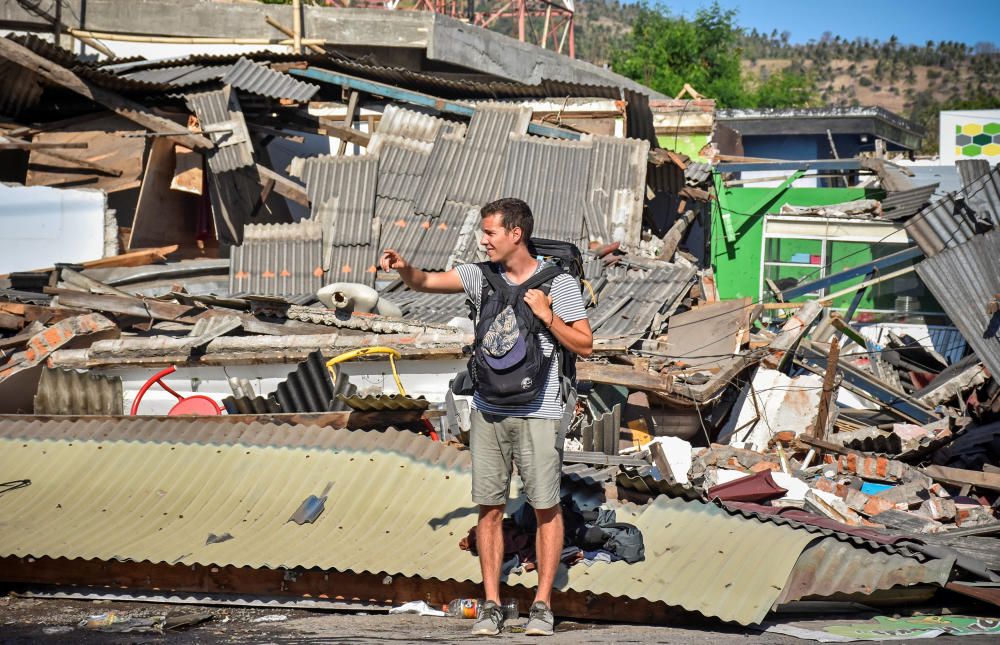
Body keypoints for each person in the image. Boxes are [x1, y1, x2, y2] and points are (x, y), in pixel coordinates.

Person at [380, 197, 593, 637]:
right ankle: (492, 604)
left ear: (516, 233)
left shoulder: (559, 284)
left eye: (491, 232)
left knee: (545, 508)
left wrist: (547, 315)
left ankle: (541, 605)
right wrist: (404, 269)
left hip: (540, 411)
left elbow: (586, 345)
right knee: (490, 507)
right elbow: (425, 281)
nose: (484, 240)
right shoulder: (481, 276)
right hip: (489, 410)